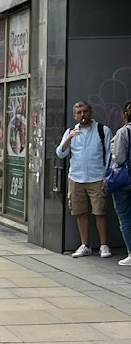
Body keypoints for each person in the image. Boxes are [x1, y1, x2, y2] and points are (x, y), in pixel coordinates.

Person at [56, 100, 113, 257]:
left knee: (99, 211)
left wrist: (106, 177)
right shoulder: (70, 132)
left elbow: (110, 155)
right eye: (79, 112)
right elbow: (60, 153)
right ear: (74, 116)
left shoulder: (103, 130)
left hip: (97, 177)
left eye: (85, 111)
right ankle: (84, 245)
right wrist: (68, 139)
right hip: (76, 178)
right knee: (80, 212)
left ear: (91, 113)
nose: (83, 115)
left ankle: (104, 245)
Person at [110, 100, 131, 267]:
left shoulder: (123, 132)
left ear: (125, 115)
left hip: (124, 181)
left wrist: (112, 144)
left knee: (125, 217)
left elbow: (118, 158)